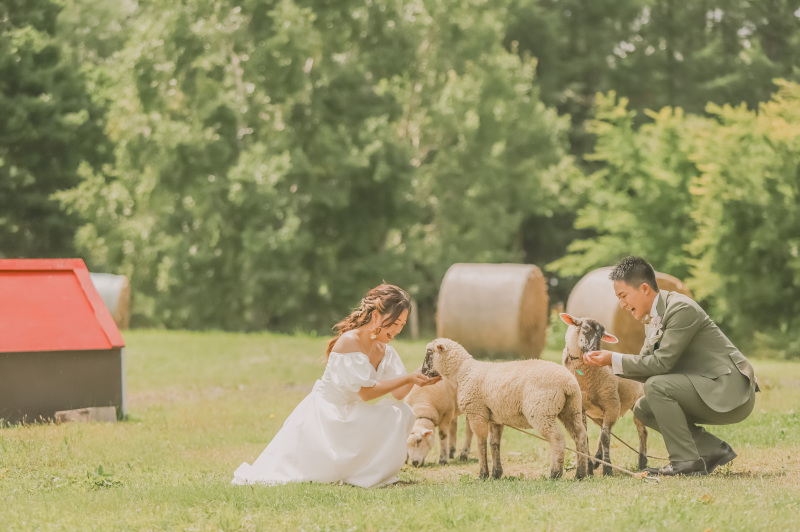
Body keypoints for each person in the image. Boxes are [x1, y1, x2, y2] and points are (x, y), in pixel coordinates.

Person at [232, 283, 440, 488]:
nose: (397, 330)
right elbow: (366, 394)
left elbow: (399, 393)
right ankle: (351, 470)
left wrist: (421, 378)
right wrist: (409, 378)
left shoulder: (385, 350)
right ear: (376, 315)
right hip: (327, 416)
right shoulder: (350, 341)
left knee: (402, 412)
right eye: (394, 323)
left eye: (402, 325)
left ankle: (368, 473)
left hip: (352, 412)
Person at [583, 256, 759, 476]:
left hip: (731, 391)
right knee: (644, 408)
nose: (622, 304)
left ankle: (685, 462)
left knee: (657, 386)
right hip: (706, 388)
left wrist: (613, 359)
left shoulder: (681, 309)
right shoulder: (653, 318)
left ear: (645, 289)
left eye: (624, 296)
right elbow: (645, 366)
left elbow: (660, 364)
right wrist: (605, 366)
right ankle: (712, 450)